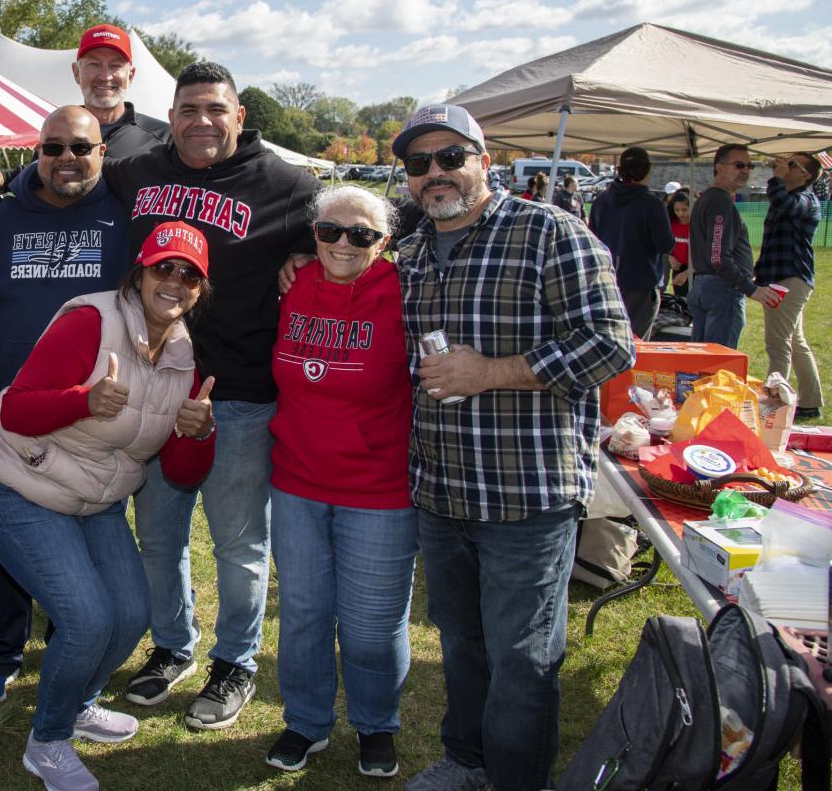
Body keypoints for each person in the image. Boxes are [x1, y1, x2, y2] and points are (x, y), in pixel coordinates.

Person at [392, 105, 633, 791]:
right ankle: (469, 762)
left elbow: (612, 345)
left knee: (523, 659)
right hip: (441, 489)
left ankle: (515, 780)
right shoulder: (409, 255)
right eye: (419, 163)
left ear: (484, 162)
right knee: (464, 645)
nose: (435, 173)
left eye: (451, 157)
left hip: (525, 492)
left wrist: (493, 371)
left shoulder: (551, 232)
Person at [102, 62, 320, 731]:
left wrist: (309, 257)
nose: (202, 121)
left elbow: (353, 237)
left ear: (239, 115)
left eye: (215, 110)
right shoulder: (135, 168)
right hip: (155, 387)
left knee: (238, 543)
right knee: (158, 538)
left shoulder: (288, 184)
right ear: (171, 116)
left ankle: (236, 661)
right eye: (189, 109)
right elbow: (71, 181)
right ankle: (172, 646)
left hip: (241, 393)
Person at [0, 221, 217, 791]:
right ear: (140, 273)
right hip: (16, 481)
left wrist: (198, 433)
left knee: (131, 614)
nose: (174, 282)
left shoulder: (182, 355)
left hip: (94, 498)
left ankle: (77, 701)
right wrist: (83, 400)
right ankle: (47, 742)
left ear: (200, 290)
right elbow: (13, 412)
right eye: (164, 268)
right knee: (87, 620)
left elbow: (178, 473)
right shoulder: (91, 320)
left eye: (189, 275)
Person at [0, 105, 132, 706]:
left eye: (81, 148)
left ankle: (71, 638)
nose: (67, 159)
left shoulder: (124, 215)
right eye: (54, 147)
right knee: (4, 533)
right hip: (13, 405)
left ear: (102, 154)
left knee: (81, 521)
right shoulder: (0, 213)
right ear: (36, 151)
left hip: (93, 407)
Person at [264, 185, 416, 778]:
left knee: (372, 624)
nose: (343, 243)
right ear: (313, 234)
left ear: (386, 241)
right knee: (303, 612)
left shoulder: (406, 292)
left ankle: (376, 725)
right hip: (297, 481)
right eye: (330, 231)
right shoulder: (293, 282)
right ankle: (305, 721)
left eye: (361, 234)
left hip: (380, 490)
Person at [754, 152, 823, 421]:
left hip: (789, 279)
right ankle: (809, 402)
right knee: (795, 341)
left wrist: (776, 179)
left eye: (791, 164)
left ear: (805, 175)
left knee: (777, 343)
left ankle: (775, 405)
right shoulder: (794, 198)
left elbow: (782, 201)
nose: (783, 165)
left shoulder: (804, 199)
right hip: (784, 277)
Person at [689, 144, 779, 347]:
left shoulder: (709, 198)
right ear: (719, 167)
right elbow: (718, 256)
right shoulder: (720, 201)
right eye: (739, 165)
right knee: (719, 366)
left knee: (700, 363)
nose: (745, 171)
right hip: (722, 289)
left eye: (749, 166)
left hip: (705, 285)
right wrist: (751, 288)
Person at [587, 147, 674, 337]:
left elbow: (591, 240)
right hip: (640, 285)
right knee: (636, 347)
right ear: (647, 170)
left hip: (606, 281)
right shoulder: (652, 204)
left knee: (609, 340)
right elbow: (665, 245)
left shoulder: (601, 201)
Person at [71, 24, 170, 157]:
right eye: (94, 64)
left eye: (115, 66)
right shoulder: (55, 137)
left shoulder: (164, 138)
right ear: (76, 73)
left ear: (130, 75)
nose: (105, 77)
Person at [665, 187, 692, 299]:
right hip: (678, 269)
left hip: (695, 270)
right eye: (677, 210)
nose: (680, 213)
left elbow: (704, 254)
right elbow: (665, 244)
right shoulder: (671, 223)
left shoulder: (698, 225)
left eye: (684, 209)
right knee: (681, 302)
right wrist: (670, 257)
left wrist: (687, 273)